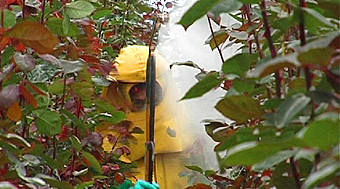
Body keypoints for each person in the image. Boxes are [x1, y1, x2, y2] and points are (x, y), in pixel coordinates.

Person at [97, 45, 191, 188]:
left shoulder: (188, 122)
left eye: (149, 88)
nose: (142, 95)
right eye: (135, 89)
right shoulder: (106, 135)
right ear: (119, 91)